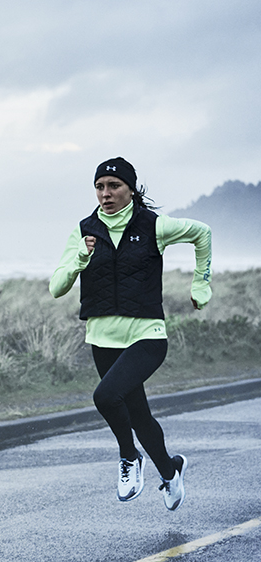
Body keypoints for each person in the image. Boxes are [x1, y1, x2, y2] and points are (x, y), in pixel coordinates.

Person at [50, 157, 212, 511]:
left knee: (106, 397)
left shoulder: (155, 225)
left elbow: (203, 233)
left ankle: (129, 457)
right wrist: (80, 257)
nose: (105, 194)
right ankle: (171, 471)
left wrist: (201, 283)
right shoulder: (84, 231)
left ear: (131, 189)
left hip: (147, 335)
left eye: (113, 186)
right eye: (99, 187)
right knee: (138, 414)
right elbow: (56, 287)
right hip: (102, 337)